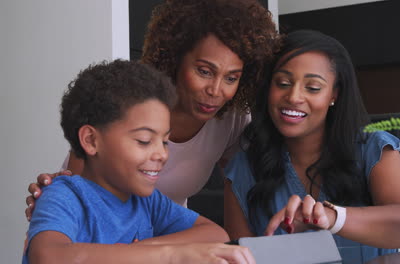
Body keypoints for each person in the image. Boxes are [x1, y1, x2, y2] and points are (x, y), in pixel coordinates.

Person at [25, 0, 279, 217]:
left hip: (170, 242)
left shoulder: (231, 120)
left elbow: (238, 191)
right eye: (204, 71)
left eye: (231, 78)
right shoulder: (121, 102)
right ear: (175, 58)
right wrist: (53, 204)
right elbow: (77, 205)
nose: (215, 90)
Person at [24, 60, 255, 264]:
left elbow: (216, 235)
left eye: (164, 141)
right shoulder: (65, 196)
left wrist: (138, 250)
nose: (162, 154)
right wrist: (171, 256)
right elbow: (48, 257)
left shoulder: (147, 202)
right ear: (91, 140)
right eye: (144, 141)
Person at [224, 30, 400, 263]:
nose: (294, 96)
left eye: (313, 87)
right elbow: (238, 258)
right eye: (283, 83)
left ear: (334, 94)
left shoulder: (373, 149)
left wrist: (330, 217)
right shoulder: (243, 169)